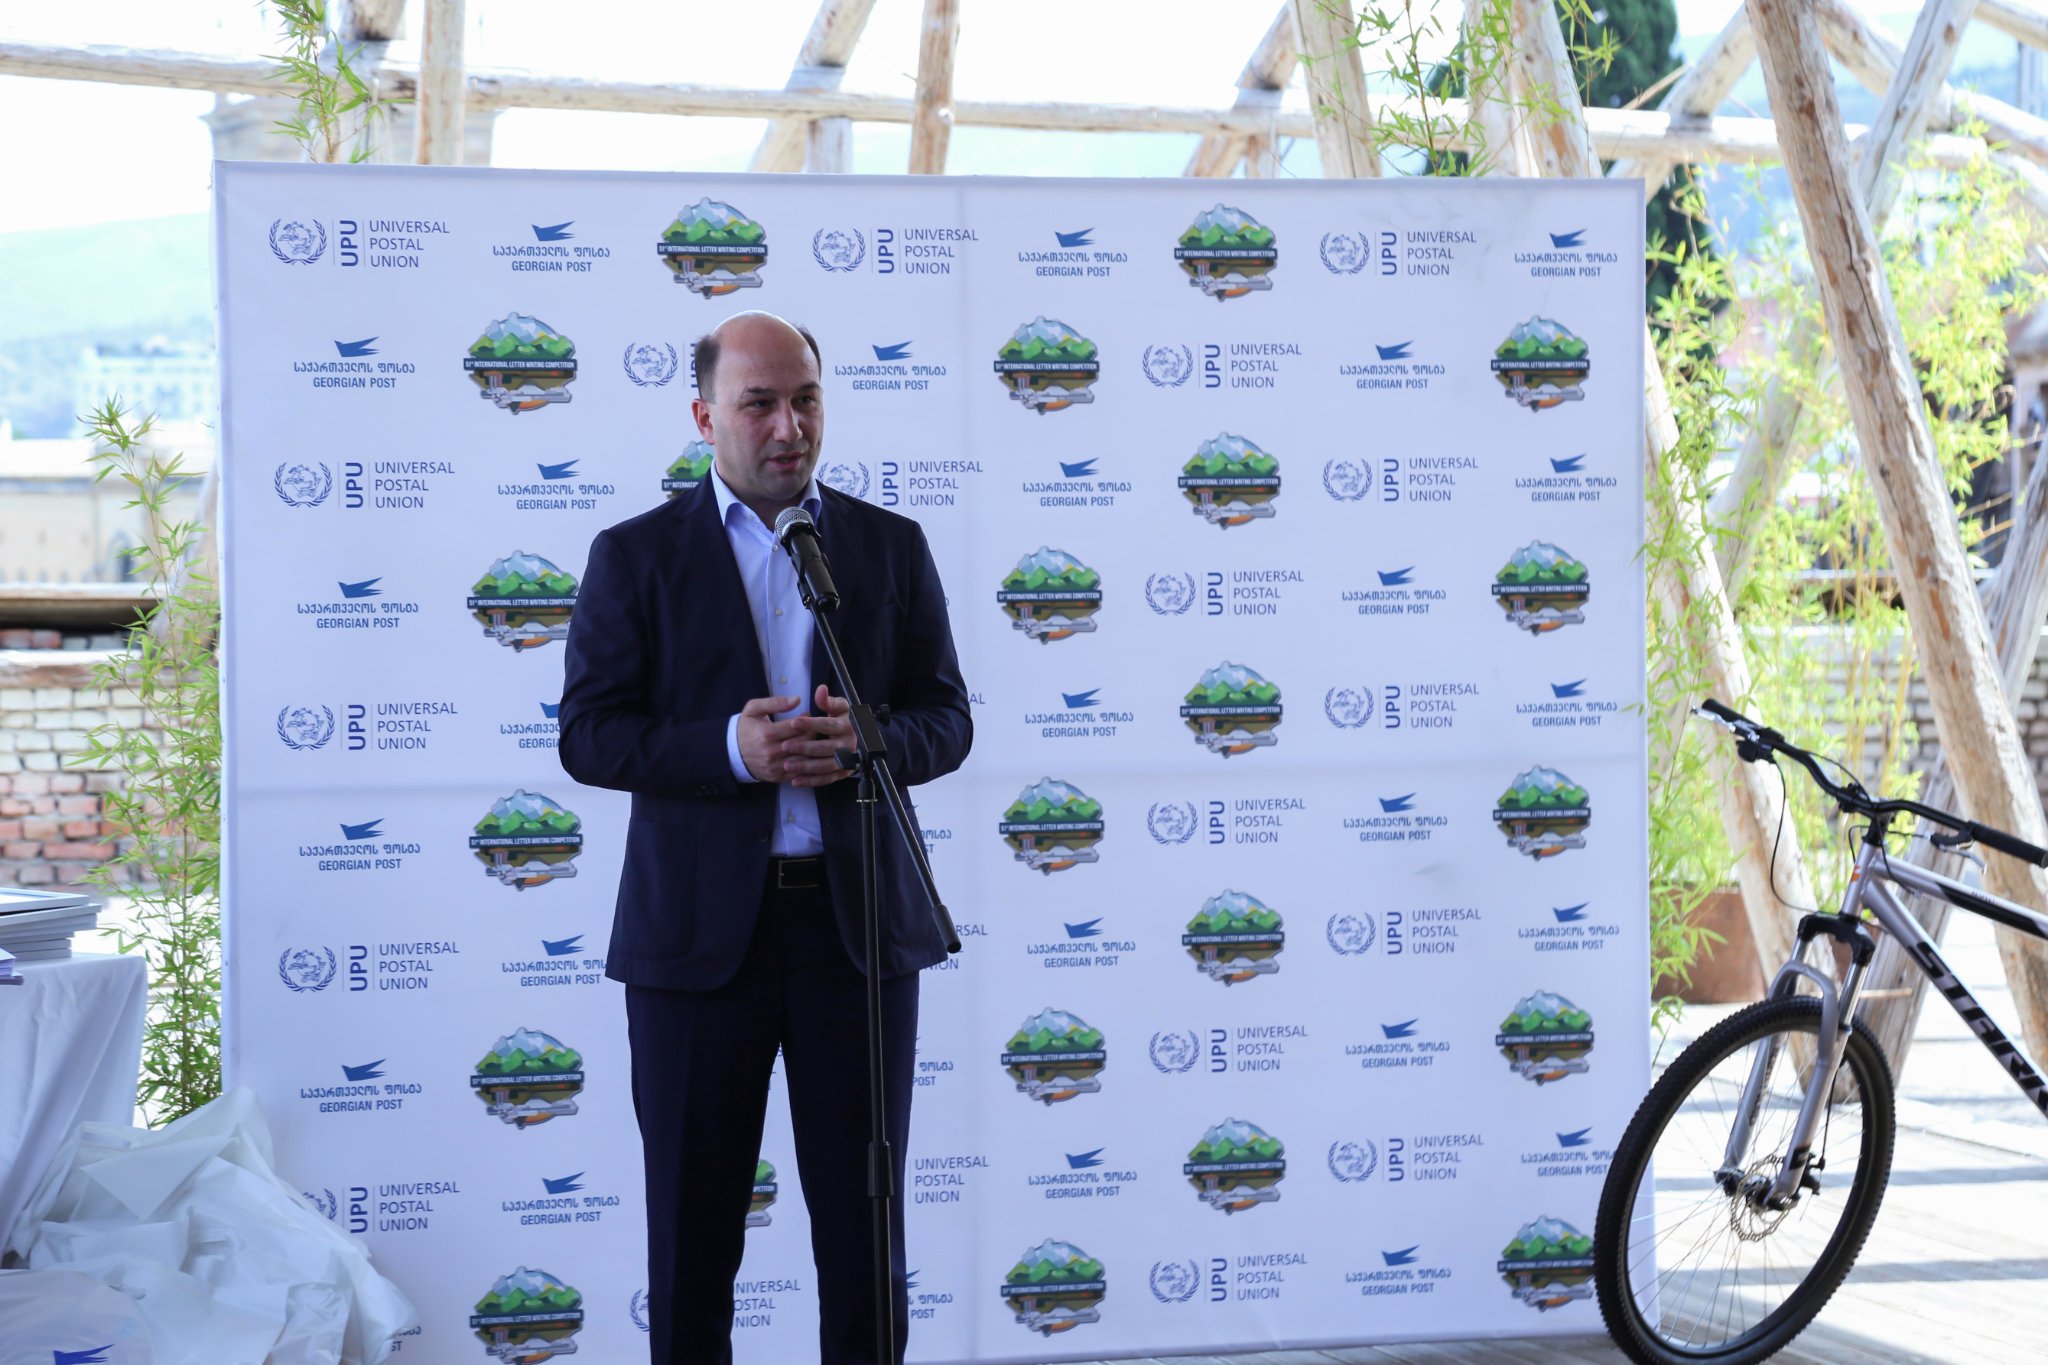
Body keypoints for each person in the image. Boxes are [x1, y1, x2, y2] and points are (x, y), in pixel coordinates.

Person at [557, 310, 971, 1364]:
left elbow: (947, 718)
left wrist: (870, 739)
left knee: (864, 1235)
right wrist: (730, 749)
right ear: (705, 418)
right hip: (696, 951)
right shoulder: (635, 556)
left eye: (805, 400)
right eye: (759, 404)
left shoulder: (887, 545)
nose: (789, 427)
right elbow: (589, 735)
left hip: (855, 940)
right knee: (692, 1242)